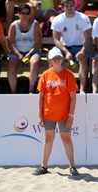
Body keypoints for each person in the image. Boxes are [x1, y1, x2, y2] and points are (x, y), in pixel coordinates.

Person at [33, 47, 79, 176]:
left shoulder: (69, 75)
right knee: (48, 139)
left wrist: (71, 115)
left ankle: (72, 167)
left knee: (66, 139)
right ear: (50, 60)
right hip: (49, 113)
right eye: (54, 58)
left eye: (59, 57)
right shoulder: (45, 75)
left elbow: (73, 98)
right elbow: (41, 97)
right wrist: (40, 115)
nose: (57, 59)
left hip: (64, 114)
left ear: (63, 59)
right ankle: (44, 166)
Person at [51, 0, 92, 92]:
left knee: (83, 59)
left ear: (75, 6)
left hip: (80, 46)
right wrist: (65, 51)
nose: (69, 8)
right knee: (54, 57)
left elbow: (88, 38)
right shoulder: (57, 20)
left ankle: (82, 89)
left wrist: (82, 51)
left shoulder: (83, 18)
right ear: (62, 7)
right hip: (64, 47)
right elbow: (56, 40)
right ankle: (55, 87)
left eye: (71, 5)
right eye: (66, 6)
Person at [7, 3, 42, 93]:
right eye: (23, 13)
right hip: (16, 52)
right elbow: (10, 43)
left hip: (33, 51)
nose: (25, 15)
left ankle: (31, 89)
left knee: (34, 63)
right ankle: (13, 91)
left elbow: (38, 43)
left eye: (27, 13)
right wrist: (18, 55)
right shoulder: (14, 25)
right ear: (18, 14)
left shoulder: (35, 24)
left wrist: (29, 54)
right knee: (11, 65)